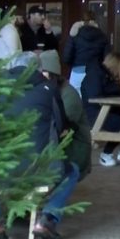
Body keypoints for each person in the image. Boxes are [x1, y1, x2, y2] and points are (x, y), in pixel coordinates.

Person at [0, 52, 78, 239]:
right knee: (72, 171)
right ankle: (47, 220)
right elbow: (61, 125)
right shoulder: (49, 89)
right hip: (38, 168)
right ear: (37, 69)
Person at [81, 52, 120, 168]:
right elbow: (95, 97)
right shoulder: (95, 75)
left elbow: (113, 93)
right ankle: (106, 154)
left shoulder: (107, 75)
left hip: (111, 111)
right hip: (95, 114)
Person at [40, 50, 91, 182]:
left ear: (51, 74)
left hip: (75, 149)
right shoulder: (50, 91)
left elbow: (62, 128)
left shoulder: (69, 95)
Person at [61, 11, 109, 94]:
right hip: (95, 72)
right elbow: (107, 58)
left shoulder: (74, 34)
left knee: (76, 101)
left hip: (77, 71)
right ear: (95, 21)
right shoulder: (102, 36)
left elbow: (66, 57)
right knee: (93, 101)